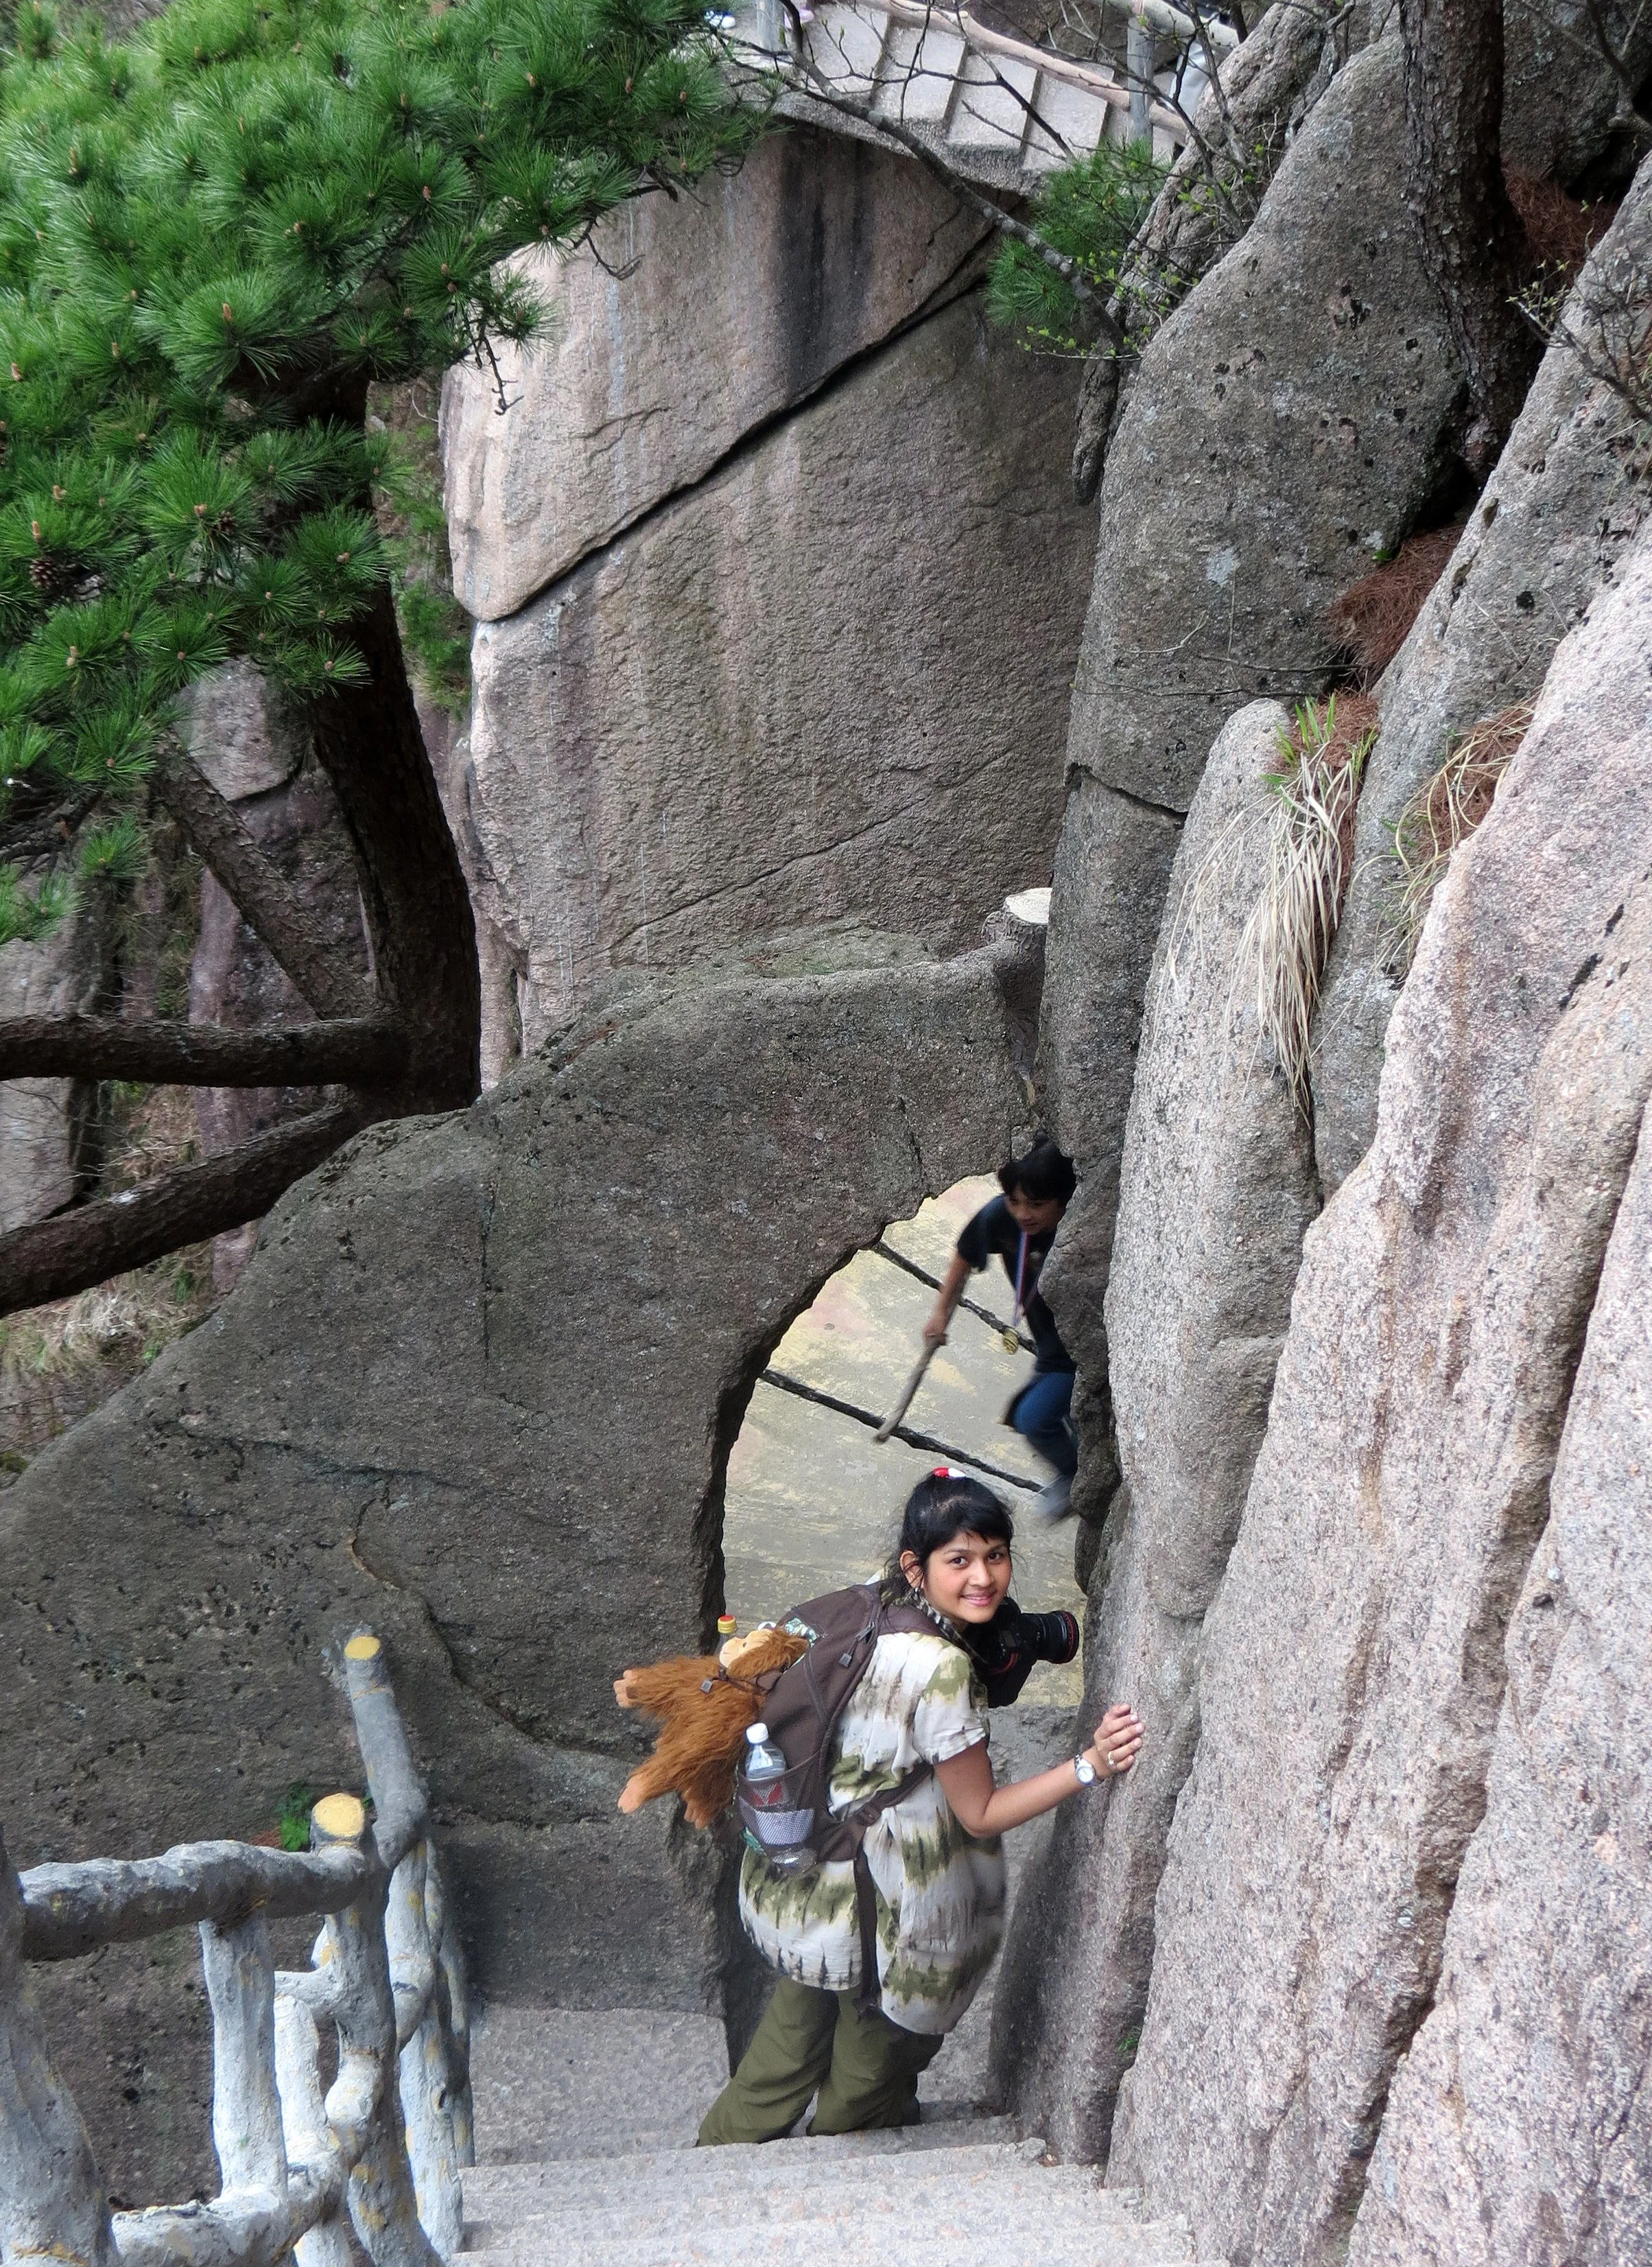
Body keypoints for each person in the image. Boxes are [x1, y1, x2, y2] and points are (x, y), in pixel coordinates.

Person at [697, 1470, 1142, 2146]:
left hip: (801, 1882)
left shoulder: (859, 1608)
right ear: (917, 1565)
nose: (983, 1577)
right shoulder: (941, 1671)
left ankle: (712, 2172)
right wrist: (1091, 1765)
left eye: (996, 1555)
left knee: (776, 2067)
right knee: (864, 2085)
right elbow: (980, 1814)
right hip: (882, 1917)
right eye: (958, 1560)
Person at [924, 1136, 1078, 1518]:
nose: (1023, 1214)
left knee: (1034, 1418)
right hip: (1052, 1351)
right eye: (1014, 1200)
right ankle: (1078, 1471)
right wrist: (940, 1313)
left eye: (1037, 1205)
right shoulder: (1001, 1217)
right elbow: (965, 1252)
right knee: (1042, 1416)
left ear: (1064, 1200)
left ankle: (1077, 1476)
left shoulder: (1078, 1228)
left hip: (1078, 1356)